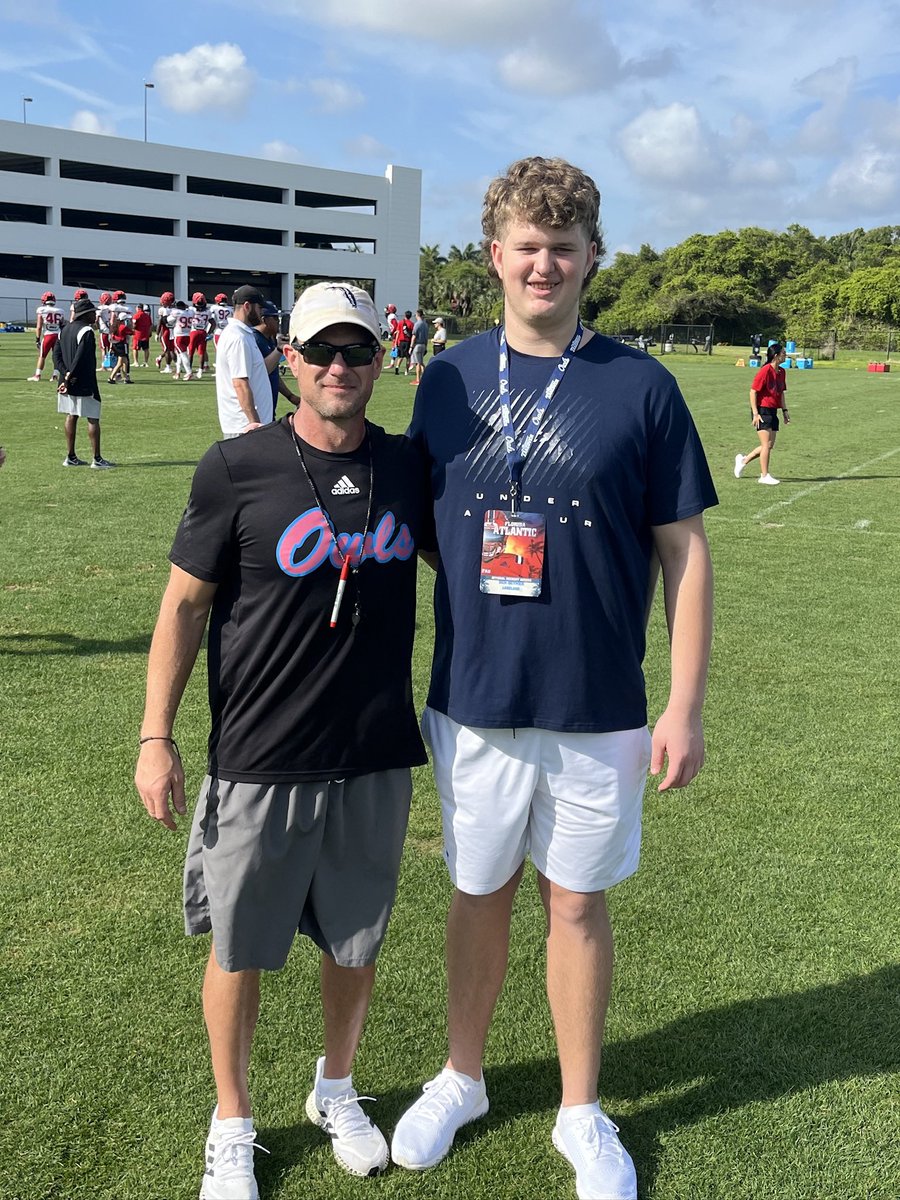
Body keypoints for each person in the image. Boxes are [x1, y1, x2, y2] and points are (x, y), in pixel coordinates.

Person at [391, 156, 717, 1200]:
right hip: (476, 695)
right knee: (476, 889)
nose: (544, 264)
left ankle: (582, 1110)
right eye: (526, 246)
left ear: (591, 260)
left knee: (575, 905)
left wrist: (683, 704)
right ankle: (464, 1076)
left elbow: (686, 553)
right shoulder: (445, 379)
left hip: (599, 705)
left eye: (563, 248)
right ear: (494, 256)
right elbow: (429, 526)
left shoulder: (642, 385)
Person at [134, 280, 432, 1200]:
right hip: (261, 752)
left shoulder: (410, 466)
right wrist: (157, 736)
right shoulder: (238, 467)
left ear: (381, 362)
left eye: (359, 352)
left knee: (355, 944)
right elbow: (185, 605)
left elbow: (472, 564)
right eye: (323, 352)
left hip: (374, 750)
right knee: (240, 946)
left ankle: (334, 1090)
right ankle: (232, 1121)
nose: (341, 367)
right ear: (289, 360)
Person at [56, 297, 114, 469]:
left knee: (71, 415)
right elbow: (80, 358)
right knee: (93, 418)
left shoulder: (64, 329)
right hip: (83, 381)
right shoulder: (86, 331)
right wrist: (70, 376)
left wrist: (65, 375)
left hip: (66, 381)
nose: (95, 316)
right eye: (92, 313)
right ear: (85, 314)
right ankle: (97, 459)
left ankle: (71, 456)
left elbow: (56, 356)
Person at [214, 285, 273, 437]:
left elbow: (259, 372)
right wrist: (254, 423)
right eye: (259, 308)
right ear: (247, 306)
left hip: (246, 425)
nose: (261, 313)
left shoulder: (243, 334)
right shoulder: (237, 338)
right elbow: (240, 384)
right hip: (244, 426)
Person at [734, 341, 789, 485]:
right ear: (776, 356)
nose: (786, 355)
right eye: (783, 353)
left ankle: (743, 461)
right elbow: (753, 391)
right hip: (762, 410)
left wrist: (784, 411)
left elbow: (781, 393)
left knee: (769, 445)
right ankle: (764, 476)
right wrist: (755, 413)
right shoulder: (765, 371)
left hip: (773, 411)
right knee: (765, 445)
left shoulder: (782, 372)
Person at [252, 299, 298, 416]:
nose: (279, 322)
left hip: (269, 408)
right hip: (258, 409)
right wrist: (279, 349)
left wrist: (290, 396)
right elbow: (261, 372)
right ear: (264, 320)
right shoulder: (254, 340)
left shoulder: (269, 339)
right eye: (275, 318)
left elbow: (273, 372)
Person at [28, 291, 65, 382]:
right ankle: (55, 375)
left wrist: (37, 339)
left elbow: (39, 326)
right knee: (56, 356)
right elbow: (62, 324)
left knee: (42, 356)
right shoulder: (60, 311)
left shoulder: (41, 310)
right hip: (58, 335)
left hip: (48, 335)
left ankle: (37, 375)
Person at [409, 309, 429, 384]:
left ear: (417, 315)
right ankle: (425, 376)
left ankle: (418, 379)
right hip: (424, 344)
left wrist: (411, 347)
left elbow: (414, 336)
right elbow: (426, 337)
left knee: (418, 363)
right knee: (421, 362)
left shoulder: (417, 324)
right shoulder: (425, 324)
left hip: (417, 345)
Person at [392, 309, 413, 375]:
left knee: (400, 356)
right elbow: (412, 334)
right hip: (407, 342)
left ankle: (397, 367)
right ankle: (406, 371)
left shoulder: (401, 322)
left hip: (401, 341)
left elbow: (398, 332)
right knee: (408, 357)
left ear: (405, 315)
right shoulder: (411, 324)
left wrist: (396, 342)